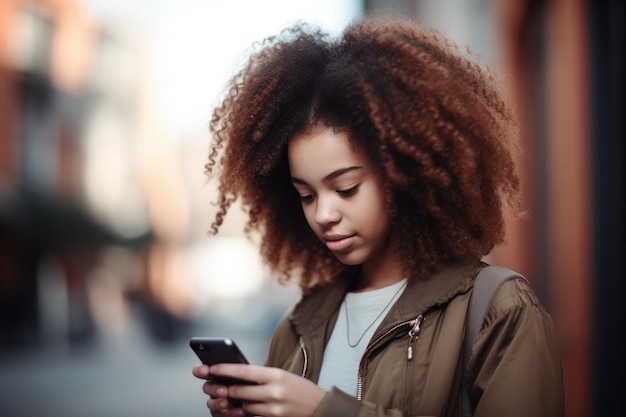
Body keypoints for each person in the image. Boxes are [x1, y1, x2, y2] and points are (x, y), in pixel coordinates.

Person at [192, 15, 564, 417]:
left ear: (404, 174)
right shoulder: (301, 323)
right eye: (305, 195)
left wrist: (327, 411)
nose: (323, 214)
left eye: (346, 188)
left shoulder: (497, 310)